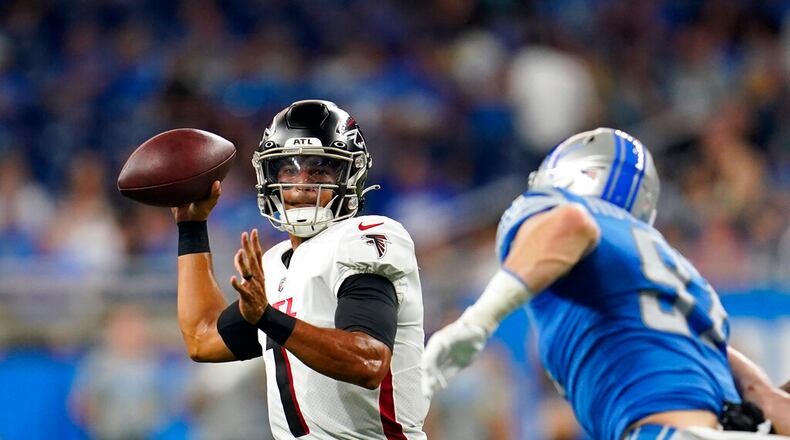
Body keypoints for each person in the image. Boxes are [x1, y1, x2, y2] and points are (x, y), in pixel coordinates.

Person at [421, 128, 790, 439]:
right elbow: (762, 394)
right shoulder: (681, 277)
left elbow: (571, 222)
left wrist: (474, 323)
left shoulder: (558, 209)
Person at [172, 99, 428, 439]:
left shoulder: (364, 238)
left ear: (350, 176)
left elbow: (368, 362)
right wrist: (191, 227)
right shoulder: (275, 264)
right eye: (288, 170)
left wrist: (267, 317)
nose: (301, 183)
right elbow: (202, 339)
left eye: (319, 171)